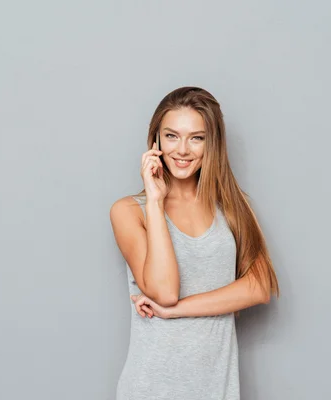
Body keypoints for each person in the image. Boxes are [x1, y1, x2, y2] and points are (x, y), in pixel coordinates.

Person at [109, 86, 279, 400]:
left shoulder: (232, 207)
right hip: (152, 388)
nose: (183, 150)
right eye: (172, 136)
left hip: (215, 389)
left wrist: (174, 312)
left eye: (196, 138)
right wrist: (157, 202)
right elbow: (164, 291)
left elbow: (259, 286)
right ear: (156, 140)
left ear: (211, 143)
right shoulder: (130, 211)